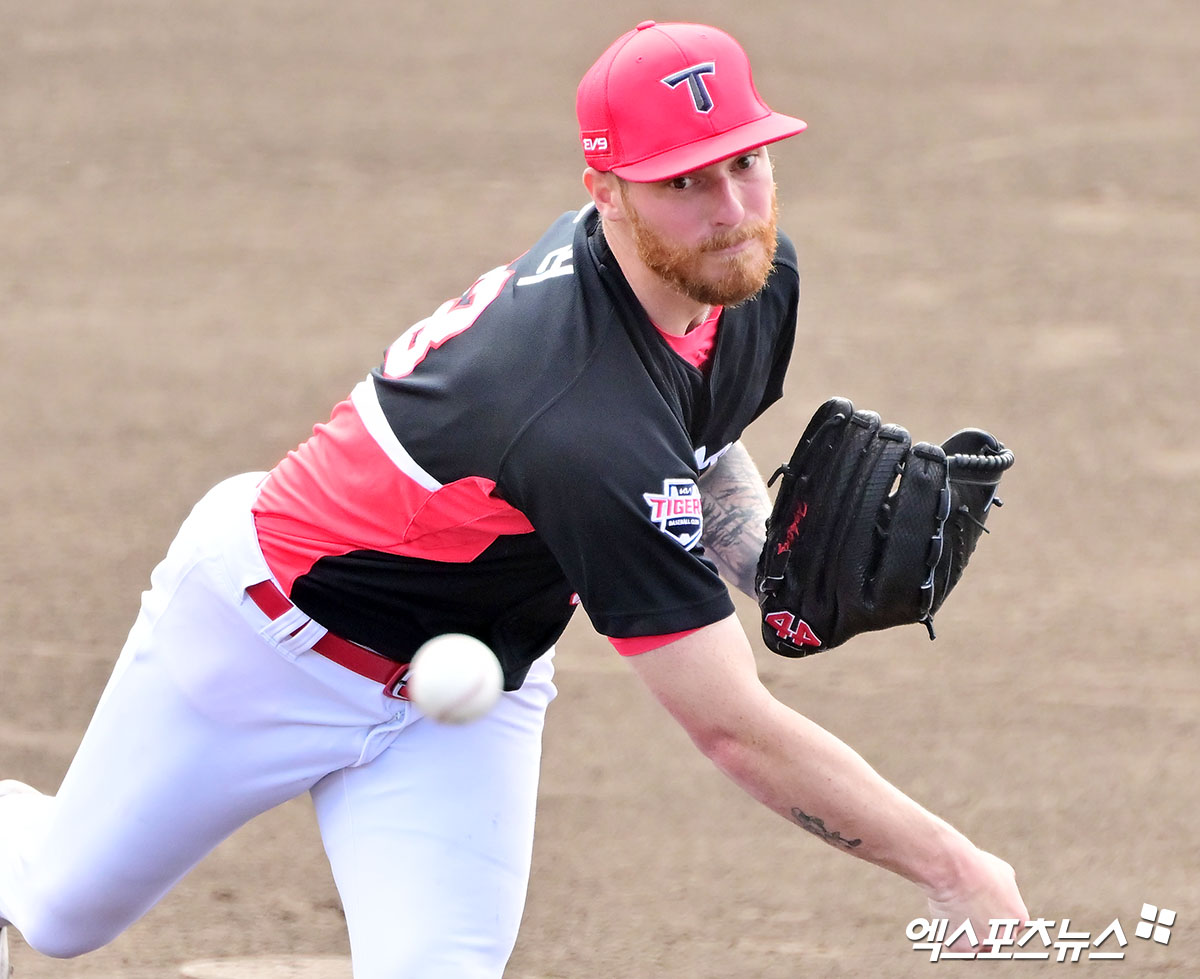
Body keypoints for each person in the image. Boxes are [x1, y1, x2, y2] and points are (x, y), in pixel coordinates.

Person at [0, 20, 1028, 979]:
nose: (731, 210)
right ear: (606, 191)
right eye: (682, 180)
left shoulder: (751, 277)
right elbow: (731, 727)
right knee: (60, 912)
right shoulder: (572, 412)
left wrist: (765, 567)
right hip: (260, 648)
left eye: (745, 162)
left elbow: (697, 439)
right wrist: (953, 868)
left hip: (466, 692)